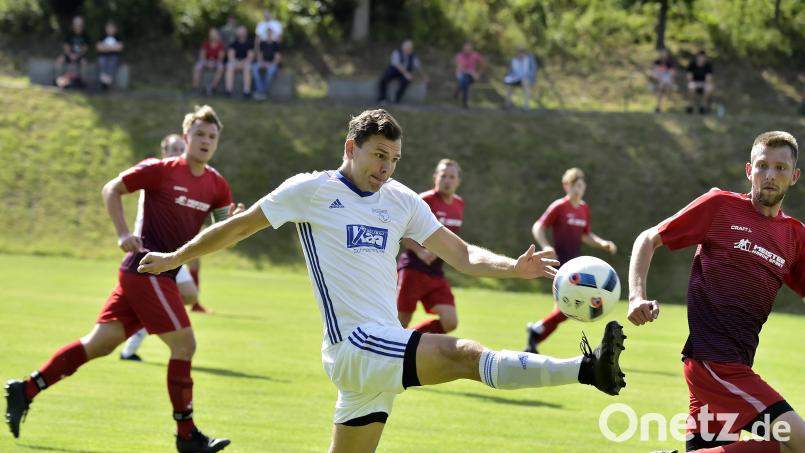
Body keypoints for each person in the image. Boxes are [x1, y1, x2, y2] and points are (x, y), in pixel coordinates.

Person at [136, 108, 627, 453]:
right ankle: (585, 370)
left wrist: (513, 267)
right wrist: (176, 257)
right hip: (355, 345)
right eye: (377, 156)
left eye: (394, 159)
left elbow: (461, 254)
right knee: (461, 354)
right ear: (351, 147)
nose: (386, 168)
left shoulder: (401, 199)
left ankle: (586, 370)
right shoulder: (311, 191)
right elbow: (237, 227)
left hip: (377, 350)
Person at [4, 105, 244, 453]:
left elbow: (220, 237)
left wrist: (233, 226)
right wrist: (121, 233)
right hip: (146, 270)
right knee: (185, 345)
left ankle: (26, 389)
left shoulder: (217, 185)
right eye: (200, 134)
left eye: (212, 136)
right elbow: (111, 189)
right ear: (186, 136)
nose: (206, 141)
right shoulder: (159, 170)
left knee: (100, 344)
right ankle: (187, 435)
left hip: (159, 274)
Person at [629, 131, 805, 453]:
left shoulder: (795, 236)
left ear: (793, 177)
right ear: (749, 171)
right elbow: (648, 238)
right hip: (714, 362)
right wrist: (636, 296)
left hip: (735, 364)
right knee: (798, 442)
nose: (770, 175)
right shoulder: (720, 207)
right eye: (763, 165)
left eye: (780, 168)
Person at [120, 134, 214, 362]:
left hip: (171, 255)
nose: (177, 152)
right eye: (173, 149)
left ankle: (137, 333)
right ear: (163, 152)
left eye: (180, 149)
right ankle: (133, 342)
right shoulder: (155, 171)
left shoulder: (185, 177)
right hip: (149, 252)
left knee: (189, 295)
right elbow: (116, 187)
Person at [524, 168, 617, 354]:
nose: (577, 190)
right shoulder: (559, 206)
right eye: (574, 186)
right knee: (567, 308)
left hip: (577, 266)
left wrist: (602, 244)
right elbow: (538, 226)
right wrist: (545, 245)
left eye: (581, 186)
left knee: (563, 310)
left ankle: (534, 338)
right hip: (561, 266)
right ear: (566, 186)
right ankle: (535, 333)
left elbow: (586, 235)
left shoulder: (584, 208)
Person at [397, 159, 464, 334]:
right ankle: (386, 349)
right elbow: (401, 230)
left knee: (450, 322)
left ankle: (408, 341)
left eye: (451, 177)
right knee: (400, 321)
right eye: (443, 176)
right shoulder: (424, 200)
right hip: (414, 268)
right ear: (435, 177)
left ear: (458, 181)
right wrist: (421, 252)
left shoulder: (459, 204)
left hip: (435, 272)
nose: (447, 180)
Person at [377, 39, 426, 104]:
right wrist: (406, 74)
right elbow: (397, 64)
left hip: (404, 74)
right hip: (394, 71)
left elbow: (418, 66)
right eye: (409, 48)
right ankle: (382, 98)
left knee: (406, 81)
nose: (410, 50)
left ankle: (396, 99)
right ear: (404, 48)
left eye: (411, 48)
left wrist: (424, 76)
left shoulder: (413, 56)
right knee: (384, 79)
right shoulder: (397, 52)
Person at [55, 15, 89, 88]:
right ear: (73, 25)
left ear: (82, 25)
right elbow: (66, 46)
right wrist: (70, 55)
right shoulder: (69, 34)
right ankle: (58, 80)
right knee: (60, 60)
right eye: (76, 24)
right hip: (69, 54)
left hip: (80, 55)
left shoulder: (85, 35)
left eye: (79, 25)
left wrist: (77, 55)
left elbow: (85, 48)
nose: (78, 26)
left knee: (84, 63)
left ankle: (82, 82)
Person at [250, 28, 282, 101]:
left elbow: (277, 58)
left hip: (272, 64)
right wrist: (262, 63)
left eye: (270, 34)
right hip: (263, 62)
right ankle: (261, 91)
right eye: (267, 33)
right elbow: (259, 55)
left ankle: (260, 92)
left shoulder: (276, 44)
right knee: (254, 67)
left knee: (270, 71)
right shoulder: (262, 44)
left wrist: (269, 64)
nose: (269, 35)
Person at [192, 28, 226, 96]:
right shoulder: (205, 43)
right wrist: (207, 63)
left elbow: (221, 58)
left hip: (216, 62)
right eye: (211, 34)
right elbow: (202, 56)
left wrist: (213, 63)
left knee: (221, 67)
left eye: (214, 34)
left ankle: (212, 87)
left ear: (217, 35)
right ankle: (195, 87)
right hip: (205, 61)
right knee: (197, 67)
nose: (212, 36)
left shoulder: (221, 45)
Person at [503, 44, 538, 109]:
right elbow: (510, 71)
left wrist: (531, 79)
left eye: (522, 51)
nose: (520, 53)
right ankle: (508, 104)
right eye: (519, 51)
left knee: (525, 82)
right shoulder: (514, 60)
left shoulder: (529, 59)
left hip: (526, 79)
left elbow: (533, 71)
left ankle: (526, 105)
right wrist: (509, 77)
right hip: (515, 78)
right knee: (507, 82)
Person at [225, 26, 254, 98]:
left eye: (243, 32)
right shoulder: (233, 43)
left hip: (245, 62)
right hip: (235, 62)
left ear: (246, 33)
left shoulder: (250, 43)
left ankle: (246, 92)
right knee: (229, 66)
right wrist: (236, 63)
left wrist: (243, 63)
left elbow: (250, 57)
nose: (241, 34)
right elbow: (231, 56)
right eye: (240, 32)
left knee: (247, 68)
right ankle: (228, 91)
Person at [454, 41, 484, 109]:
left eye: (468, 48)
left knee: (465, 79)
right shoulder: (459, 55)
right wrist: (460, 71)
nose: (467, 50)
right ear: (463, 48)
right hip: (462, 75)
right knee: (465, 80)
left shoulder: (475, 55)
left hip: (472, 76)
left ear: (471, 48)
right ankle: (465, 103)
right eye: (465, 48)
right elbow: (459, 67)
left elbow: (483, 64)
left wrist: (478, 74)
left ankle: (458, 90)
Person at [95, 20, 124, 90]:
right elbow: (98, 47)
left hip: (114, 57)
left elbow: (120, 48)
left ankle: (106, 82)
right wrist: (112, 47)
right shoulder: (102, 37)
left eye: (112, 28)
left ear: (115, 29)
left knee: (112, 62)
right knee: (101, 62)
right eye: (108, 28)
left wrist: (105, 47)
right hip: (103, 56)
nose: (110, 29)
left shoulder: (118, 37)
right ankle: (105, 81)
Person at [647, 48, 675, 113]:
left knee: (665, 86)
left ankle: (663, 106)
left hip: (666, 81)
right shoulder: (656, 62)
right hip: (657, 80)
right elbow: (653, 71)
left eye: (665, 53)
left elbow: (671, 74)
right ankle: (659, 106)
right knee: (661, 86)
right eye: (662, 53)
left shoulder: (670, 64)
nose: (663, 55)